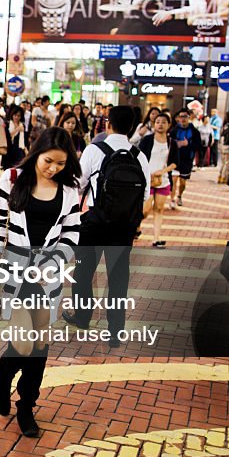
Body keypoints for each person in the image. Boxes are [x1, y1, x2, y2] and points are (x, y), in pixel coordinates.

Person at [0, 127, 82, 437]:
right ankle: (3, 376)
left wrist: (54, 262)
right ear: (36, 153)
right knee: (22, 342)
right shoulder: (12, 178)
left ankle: (26, 406)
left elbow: (72, 235)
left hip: (48, 275)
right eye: (48, 161)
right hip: (14, 270)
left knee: (41, 344)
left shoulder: (70, 190)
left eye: (60, 163)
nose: (54, 168)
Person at [63, 106, 150, 348]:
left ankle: (82, 317)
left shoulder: (94, 150)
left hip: (94, 224)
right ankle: (115, 331)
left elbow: (77, 185)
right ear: (132, 127)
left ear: (108, 123)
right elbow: (144, 196)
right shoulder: (139, 156)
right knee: (118, 279)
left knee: (82, 273)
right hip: (123, 229)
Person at [138, 112, 178, 248]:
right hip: (146, 180)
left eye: (163, 122)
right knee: (145, 210)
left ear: (169, 125)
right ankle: (136, 227)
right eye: (158, 122)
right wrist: (145, 174)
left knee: (159, 209)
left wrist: (163, 171)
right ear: (154, 124)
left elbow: (175, 163)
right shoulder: (147, 140)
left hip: (163, 180)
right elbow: (138, 158)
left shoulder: (172, 142)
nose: (160, 124)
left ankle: (156, 238)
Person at [169, 108, 201, 206]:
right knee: (173, 180)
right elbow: (169, 143)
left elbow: (198, 146)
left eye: (185, 116)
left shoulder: (194, 131)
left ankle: (179, 196)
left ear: (189, 117)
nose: (183, 119)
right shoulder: (174, 131)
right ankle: (172, 200)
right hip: (175, 160)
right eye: (181, 117)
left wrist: (188, 144)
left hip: (187, 160)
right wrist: (176, 144)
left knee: (182, 182)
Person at [2, 105, 27, 170]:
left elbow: (25, 140)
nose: (16, 117)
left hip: (19, 150)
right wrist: (17, 129)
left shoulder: (22, 125)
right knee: (8, 170)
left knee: (18, 169)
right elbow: (7, 137)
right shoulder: (7, 124)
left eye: (19, 116)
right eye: (15, 115)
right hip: (9, 150)